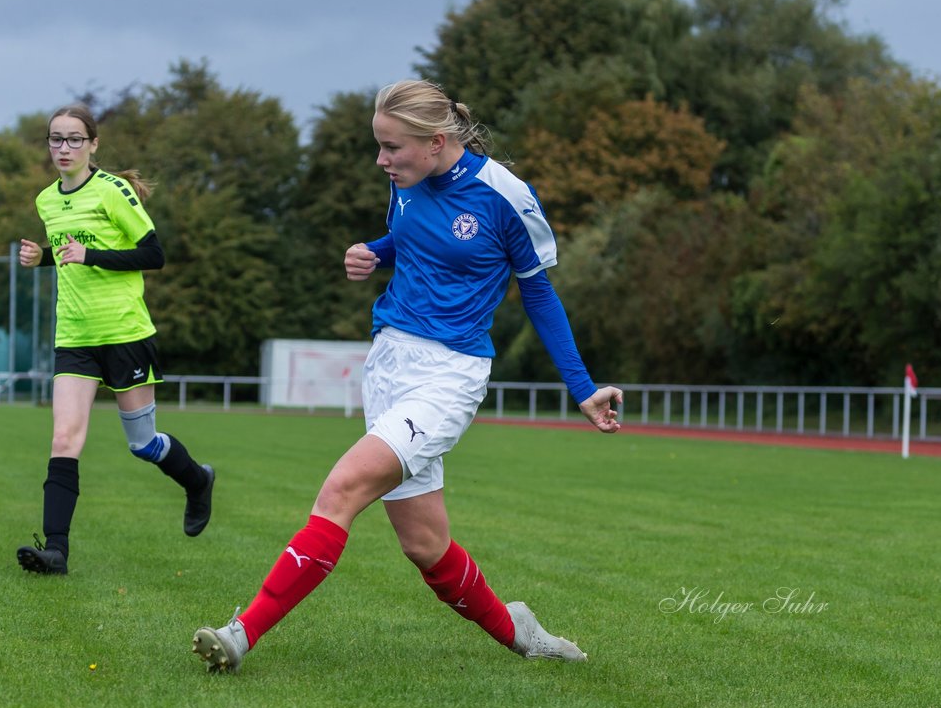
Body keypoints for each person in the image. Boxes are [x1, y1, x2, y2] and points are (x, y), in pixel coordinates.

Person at [192, 79, 623, 673]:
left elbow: (539, 294)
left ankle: (241, 633)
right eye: (380, 146)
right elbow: (412, 240)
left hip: (449, 377)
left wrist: (583, 388)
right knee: (425, 546)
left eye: (392, 148)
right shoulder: (406, 183)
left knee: (340, 490)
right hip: (388, 364)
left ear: (435, 141)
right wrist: (373, 250)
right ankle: (520, 633)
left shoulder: (505, 195)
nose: (381, 160)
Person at [15, 103, 215, 576]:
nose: (63, 148)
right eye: (55, 139)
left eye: (74, 139)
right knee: (64, 437)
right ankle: (56, 551)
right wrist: (41, 257)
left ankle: (198, 480)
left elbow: (154, 254)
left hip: (125, 333)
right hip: (75, 336)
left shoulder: (113, 190)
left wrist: (91, 253)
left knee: (143, 443)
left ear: (93, 145)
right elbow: (70, 256)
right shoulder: (46, 200)